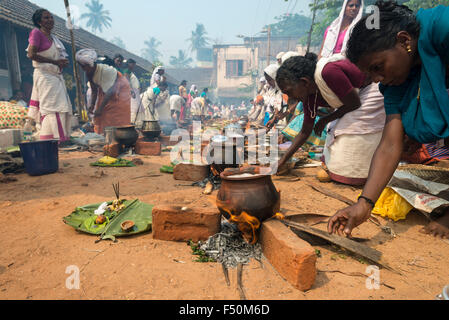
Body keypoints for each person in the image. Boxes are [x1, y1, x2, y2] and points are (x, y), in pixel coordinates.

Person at [328, 1, 449, 239]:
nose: (376, 79)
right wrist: (363, 204)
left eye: (377, 67)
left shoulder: (442, 27)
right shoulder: (394, 85)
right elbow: (390, 144)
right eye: (370, 73)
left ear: (404, 41)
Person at [276, 53, 385, 185]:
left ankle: (364, 175)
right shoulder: (309, 97)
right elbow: (305, 131)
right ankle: (339, 171)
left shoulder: (328, 72)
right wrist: (283, 160)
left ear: (304, 82)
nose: (290, 97)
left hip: (372, 88)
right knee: (333, 131)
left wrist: (324, 120)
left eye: (289, 91)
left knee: (348, 130)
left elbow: (354, 104)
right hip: (354, 99)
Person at [27, 9, 72, 143]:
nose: (50, 20)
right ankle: (52, 139)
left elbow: (56, 58)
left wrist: (62, 63)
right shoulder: (36, 33)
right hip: (45, 76)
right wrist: (54, 62)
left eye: (51, 17)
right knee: (52, 107)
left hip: (55, 76)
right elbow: (31, 54)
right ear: (39, 21)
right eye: (46, 18)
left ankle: (61, 137)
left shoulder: (54, 38)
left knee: (61, 106)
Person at [76, 49, 131, 135]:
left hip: (120, 89)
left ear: (90, 64)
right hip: (106, 92)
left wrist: (100, 108)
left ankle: (116, 138)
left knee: (114, 116)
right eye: (81, 67)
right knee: (100, 116)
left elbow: (110, 92)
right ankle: (103, 138)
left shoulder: (106, 71)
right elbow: (94, 90)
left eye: (84, 67)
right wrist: (92, 105)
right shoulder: (89, 73)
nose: (83, 69)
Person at [126, 59, 143, 126]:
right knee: (134, 109)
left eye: (134, 64)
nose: (134, 66)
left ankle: (137, 125)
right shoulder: (127, 71)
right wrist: (131, 91)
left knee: (137, 109)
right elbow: (127, 82)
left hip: (136, 93)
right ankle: (132, 123)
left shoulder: (132, 72)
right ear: (129, 64)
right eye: (132, 64)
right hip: (132, 93)